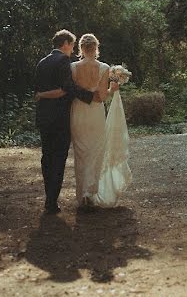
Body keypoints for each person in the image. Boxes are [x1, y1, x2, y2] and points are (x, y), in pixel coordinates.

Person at [36, 33, 132, 210]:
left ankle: (82, 195)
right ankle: (90, 192)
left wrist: (42, 95)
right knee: (95, 153)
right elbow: (101, 97)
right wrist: (113, 88)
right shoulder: (104, 68)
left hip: (77, 114)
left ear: (80, 48)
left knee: (81, 154)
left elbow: (69, 90)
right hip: (95, 114)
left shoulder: (71, 67)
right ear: (96, 48)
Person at [34, 29, 96, 215]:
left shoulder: (42, 62)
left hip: (44, 118)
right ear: (66, 44)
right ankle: (51, 202)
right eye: (72, 45)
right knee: (58, 159)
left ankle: (49, 198)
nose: (72, 49)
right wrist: (89, 96)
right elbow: (66, 88)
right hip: (59, 118)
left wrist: (42, 96)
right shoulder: (63, 61)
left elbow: (37, 90)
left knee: (47, 158)